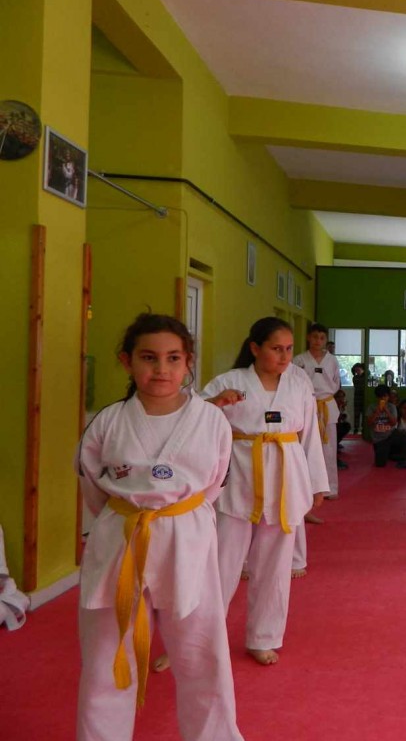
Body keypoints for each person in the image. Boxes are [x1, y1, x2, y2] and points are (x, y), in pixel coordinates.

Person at [75, 313, 244, 740]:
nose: (161, 369)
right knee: (106, 656)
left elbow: (215, 482)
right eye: (148, 358)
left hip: (187, 538)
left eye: (173, 358)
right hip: (121, 537)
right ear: (126, 361)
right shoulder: (108, 421)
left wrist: (177, 516)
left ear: (189, 362)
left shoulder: (211, 421)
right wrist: (127, 514)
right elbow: (91, 484)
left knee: (202, 652)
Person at [202, 317, 329, 665]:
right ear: (255, 348)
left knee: (275, 566)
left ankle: (263, 637)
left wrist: (317, 482)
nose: (284, 356)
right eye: (276, 349)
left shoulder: (298, 383)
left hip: (286, 476)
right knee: (222, 563)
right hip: (240, 478)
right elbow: (193, 420)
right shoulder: (229, 382)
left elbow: (310, 435)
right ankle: (204, 636)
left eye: (288, 349)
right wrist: (213, 403)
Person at [292, 323, 341, 500]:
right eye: (314, 337)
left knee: (329, 448)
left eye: (321, 338)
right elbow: (294, 383)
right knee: (306, 447)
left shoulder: (332, 360)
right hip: (306, 405)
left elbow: (336, 383)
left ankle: (331, 487)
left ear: (326, 340)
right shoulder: (299, 360)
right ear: (308, 338)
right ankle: (307, 489)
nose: (317, 341)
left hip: (327, 405)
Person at [367, 384, 398, 467]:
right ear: (377, 397)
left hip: (390, 435)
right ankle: (385, 453)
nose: (383, 399)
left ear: (388, 397)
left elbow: (394, 423)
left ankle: (395, 454)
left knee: (405, 438)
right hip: (378, 439)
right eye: (380, 397)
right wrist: (376, 413)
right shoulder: (372, 407)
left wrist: (387, 411)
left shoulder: (392, 407)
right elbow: (369, 423)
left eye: (385, 396)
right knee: (380, 464)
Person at [351, 362, 367, 434]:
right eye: (356, 370)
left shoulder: (366, 377)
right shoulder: (355, 378)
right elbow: (359, 387)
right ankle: (356, 428)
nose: (357, 371)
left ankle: (364, 428)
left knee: (364, 414)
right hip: (357, 398)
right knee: (356, 414)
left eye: (359, 369)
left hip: (364, 397)